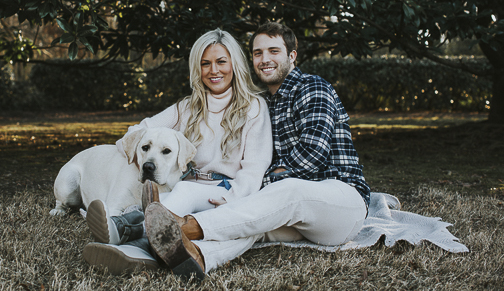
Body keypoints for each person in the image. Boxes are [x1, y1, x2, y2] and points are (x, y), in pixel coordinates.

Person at [143, 22, 371, 280]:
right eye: (258, 53)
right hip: (293, 214)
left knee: (288, 191)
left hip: (339, 202)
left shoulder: (311, 88)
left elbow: (311, 157)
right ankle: (198, 255)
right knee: (250, 224)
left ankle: (186, 227)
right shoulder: (266, 102)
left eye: (274, 51)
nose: (265, 59)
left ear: (292, 56)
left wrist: (254, 187)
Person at [82, 29, 273, 276]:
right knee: (172, 194)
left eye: (221, 62)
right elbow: (138, 132)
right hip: (186, 190)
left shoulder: (254, 108)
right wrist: (137, 154)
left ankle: (130, 232)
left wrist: (234, 198)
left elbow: (256, 165)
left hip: (222, 192)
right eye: (206, 64)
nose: (214, 70)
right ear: (198, 68)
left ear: (235, 64)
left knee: (182, 191)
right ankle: (135, 249)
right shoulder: (188, 107)